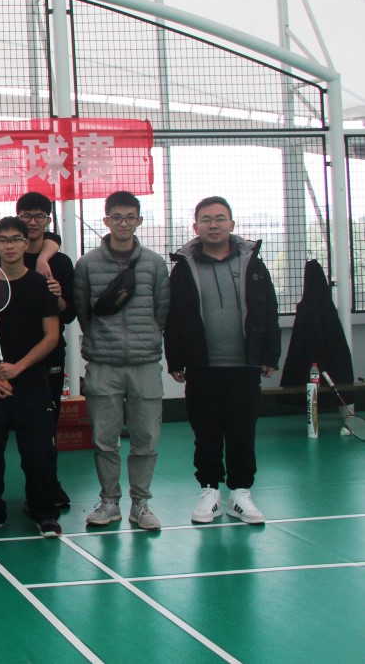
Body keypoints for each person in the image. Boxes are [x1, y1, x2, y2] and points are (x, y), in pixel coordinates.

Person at [165, 196, 279, 526]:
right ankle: (209, 492)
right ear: (195, 226)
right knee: (206, 432)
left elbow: (268, 309)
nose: (213, 225)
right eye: (206, 219)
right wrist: (176, 359)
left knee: (243, 431)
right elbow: (173, 317)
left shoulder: (252, 263)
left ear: (231, 224)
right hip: (202, 366)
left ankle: (240, 494)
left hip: (245, 366)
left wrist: (269, 354)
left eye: (219, 218)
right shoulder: (183, 267)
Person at [75, 192, 170, 531]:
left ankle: (140, 504)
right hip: (103, 364)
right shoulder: (87, 265)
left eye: (130, 217)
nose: (124, 223)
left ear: (139, 221)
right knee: (105, 440)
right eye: (117, 217)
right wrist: (100, 342)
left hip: (145, 364)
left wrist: (148, 339)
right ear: (106, 221)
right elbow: (84, 312)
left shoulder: (155, 264)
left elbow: (162, 310)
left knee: (146, 440)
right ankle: (109, 502)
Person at [0, 217, 62, 538]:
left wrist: (18, 368)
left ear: (26, 243)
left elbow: (52, 336)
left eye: (16, 239)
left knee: (39, 454)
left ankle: (44, 512)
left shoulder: (41, 285)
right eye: (3, 240)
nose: (10, 245)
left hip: (32, 385)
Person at [16, 192, 76, 509]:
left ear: (48, 221)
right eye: (26, 215)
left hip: (50, 354)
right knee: (17, 430)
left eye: (39, 216)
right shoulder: (9, 256)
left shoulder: (60, 263)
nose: (33, 222)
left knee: (46, 428)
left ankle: (47, 486)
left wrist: (57, 295)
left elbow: (69, 313)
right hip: (13, 359)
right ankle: (32, 488)